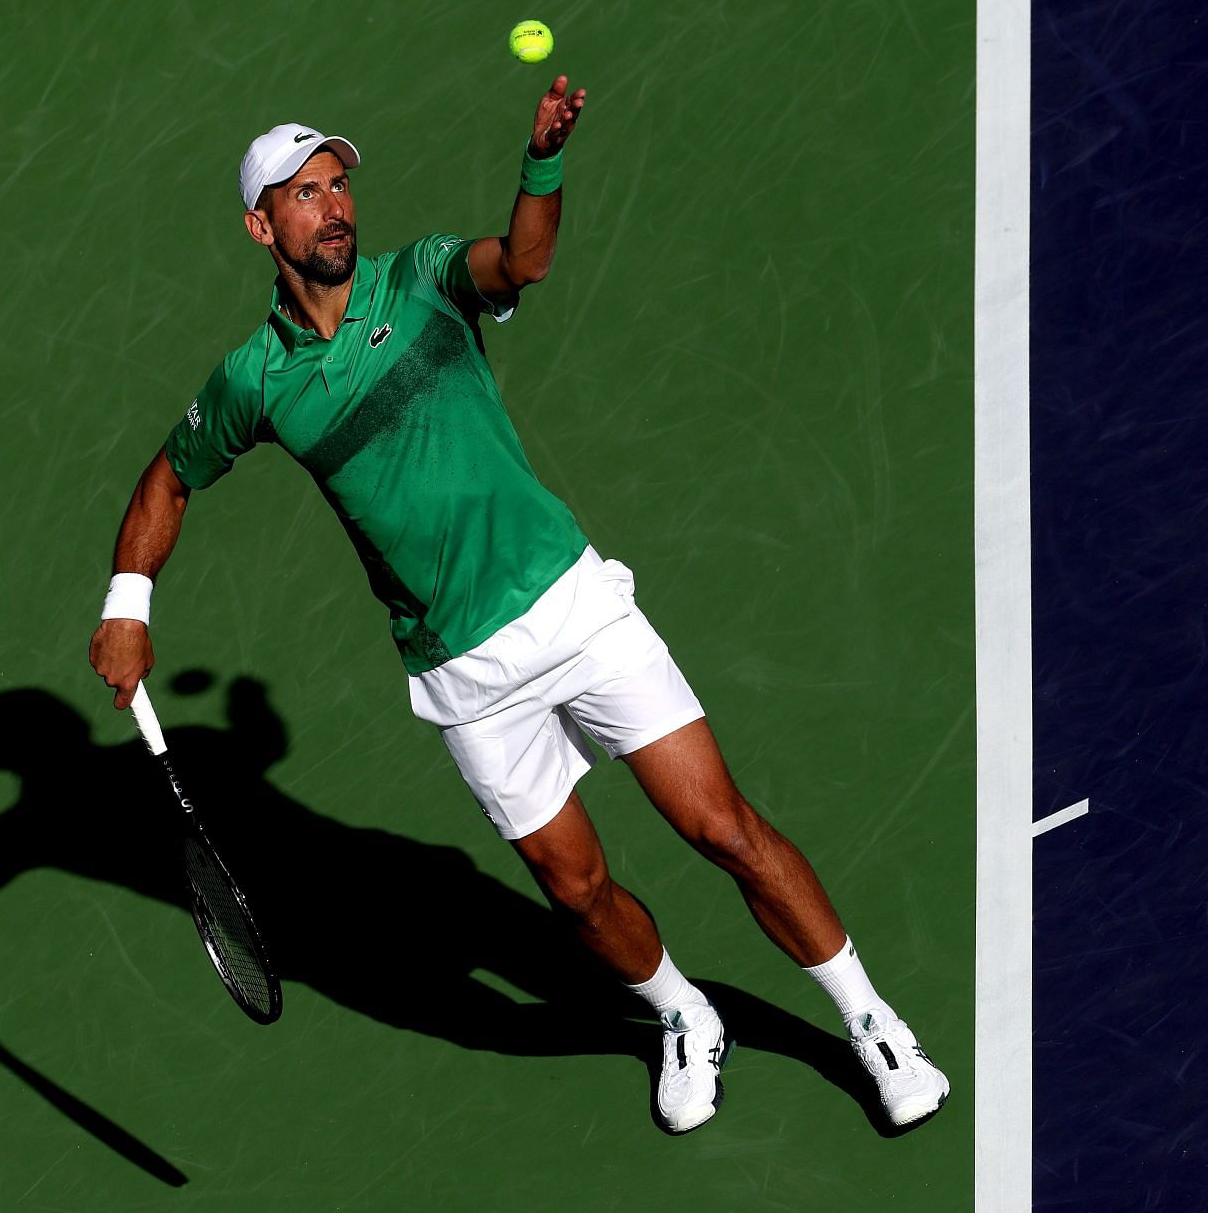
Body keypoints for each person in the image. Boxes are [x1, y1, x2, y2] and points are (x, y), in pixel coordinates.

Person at [87, 75, 948, 1134]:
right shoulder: (256, 379)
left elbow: (523, 258)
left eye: (338, 185)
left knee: (720, 825)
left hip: (572, 606)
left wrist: (542, 159)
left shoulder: (425, 279)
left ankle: (871, 1023)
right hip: (463, 675)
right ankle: (686, 1014)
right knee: (575, 890)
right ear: (261, 225)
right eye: (305, 195)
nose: (334, 206)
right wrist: (129, 601)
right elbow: (168, 477)